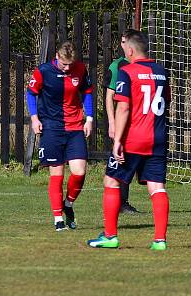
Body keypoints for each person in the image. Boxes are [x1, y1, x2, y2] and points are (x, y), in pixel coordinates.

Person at [87, 30, 171, 250]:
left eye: (125, 47)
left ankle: (110, 236)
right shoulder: (162, 72)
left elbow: (123, 106)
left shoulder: (127, 71)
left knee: (112, 181)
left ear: (131, 50)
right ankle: (160, 240)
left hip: (134, 138)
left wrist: (117, 141)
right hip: (158, 138)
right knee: (157, 187)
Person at [27, 41, 93, 231]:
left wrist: (89, 119)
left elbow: (87, 93)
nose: (67, 68)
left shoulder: (80, 69)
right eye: (64, 64)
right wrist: (34, 118)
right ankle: (58, 219)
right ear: (57, 56)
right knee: (57, 174)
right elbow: (31, 94)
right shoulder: (43, 71)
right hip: (51, 127)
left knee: (79, 172)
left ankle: (68, 204)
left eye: (70, 64)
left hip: (74, 127)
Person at [102, 29, 140, 214]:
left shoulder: (143, 66)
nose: (124, 45)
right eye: (122, 42)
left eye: (127, 42)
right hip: (122, 120)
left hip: (140, 122)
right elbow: (109, 96)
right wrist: (111, 121)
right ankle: (121, 203)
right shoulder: (117, 66)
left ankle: (122, 202)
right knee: (120, 159)